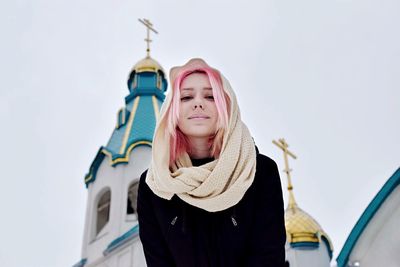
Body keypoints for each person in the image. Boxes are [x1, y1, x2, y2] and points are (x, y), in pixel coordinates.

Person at [137, 58, 286, 267]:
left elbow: (267, 257)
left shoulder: (258, 172)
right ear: (172, 112)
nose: (198, 103)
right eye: (187, 97)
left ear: (227, 107)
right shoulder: (155, 186)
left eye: (210, 96)